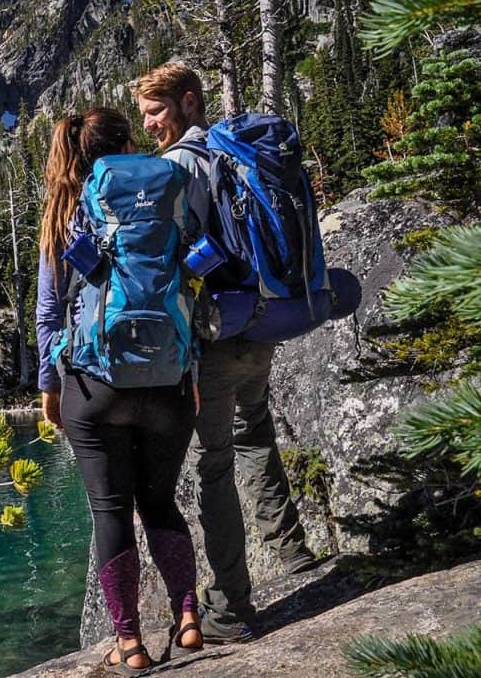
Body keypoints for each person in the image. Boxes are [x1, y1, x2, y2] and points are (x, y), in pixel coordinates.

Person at [133, 62, 317, 644]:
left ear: (188, 103)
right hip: (260, 322)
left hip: (215, 335)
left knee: (213, 464)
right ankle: (292, 553)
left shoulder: (180, 164)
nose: (149, 125)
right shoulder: (229, 152)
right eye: (143, 115)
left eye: (157, 111)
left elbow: (169, 254)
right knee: (254, 433)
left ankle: (231, 608)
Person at [37, 109, 203, 675]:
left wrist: (49, 386)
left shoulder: (64, 214)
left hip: (95, 384)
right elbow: (188, 281)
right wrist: (192, 374)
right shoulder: (161, 199)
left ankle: (128, 642)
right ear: (127, 147)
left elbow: (47, 313)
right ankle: (188, 617)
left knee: (111, 510)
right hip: (170, 379)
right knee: (160, 502)